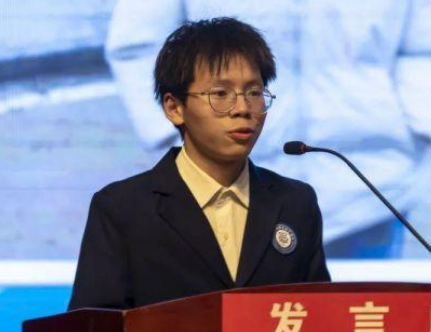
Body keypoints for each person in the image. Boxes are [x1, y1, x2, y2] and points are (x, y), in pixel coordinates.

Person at [105, 0, 431, 257]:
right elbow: (143, 36)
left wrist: (418, 125)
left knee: (363, 298)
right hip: (222, 189)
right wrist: (178, 138)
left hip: (367, 188)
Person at [69, 18, 330, 310]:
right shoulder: (122, 209)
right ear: (174, 108)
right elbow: (93, 323)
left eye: (254, 93)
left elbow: (321, 315)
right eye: (220, 94)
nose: (243, 109)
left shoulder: (296, 203)